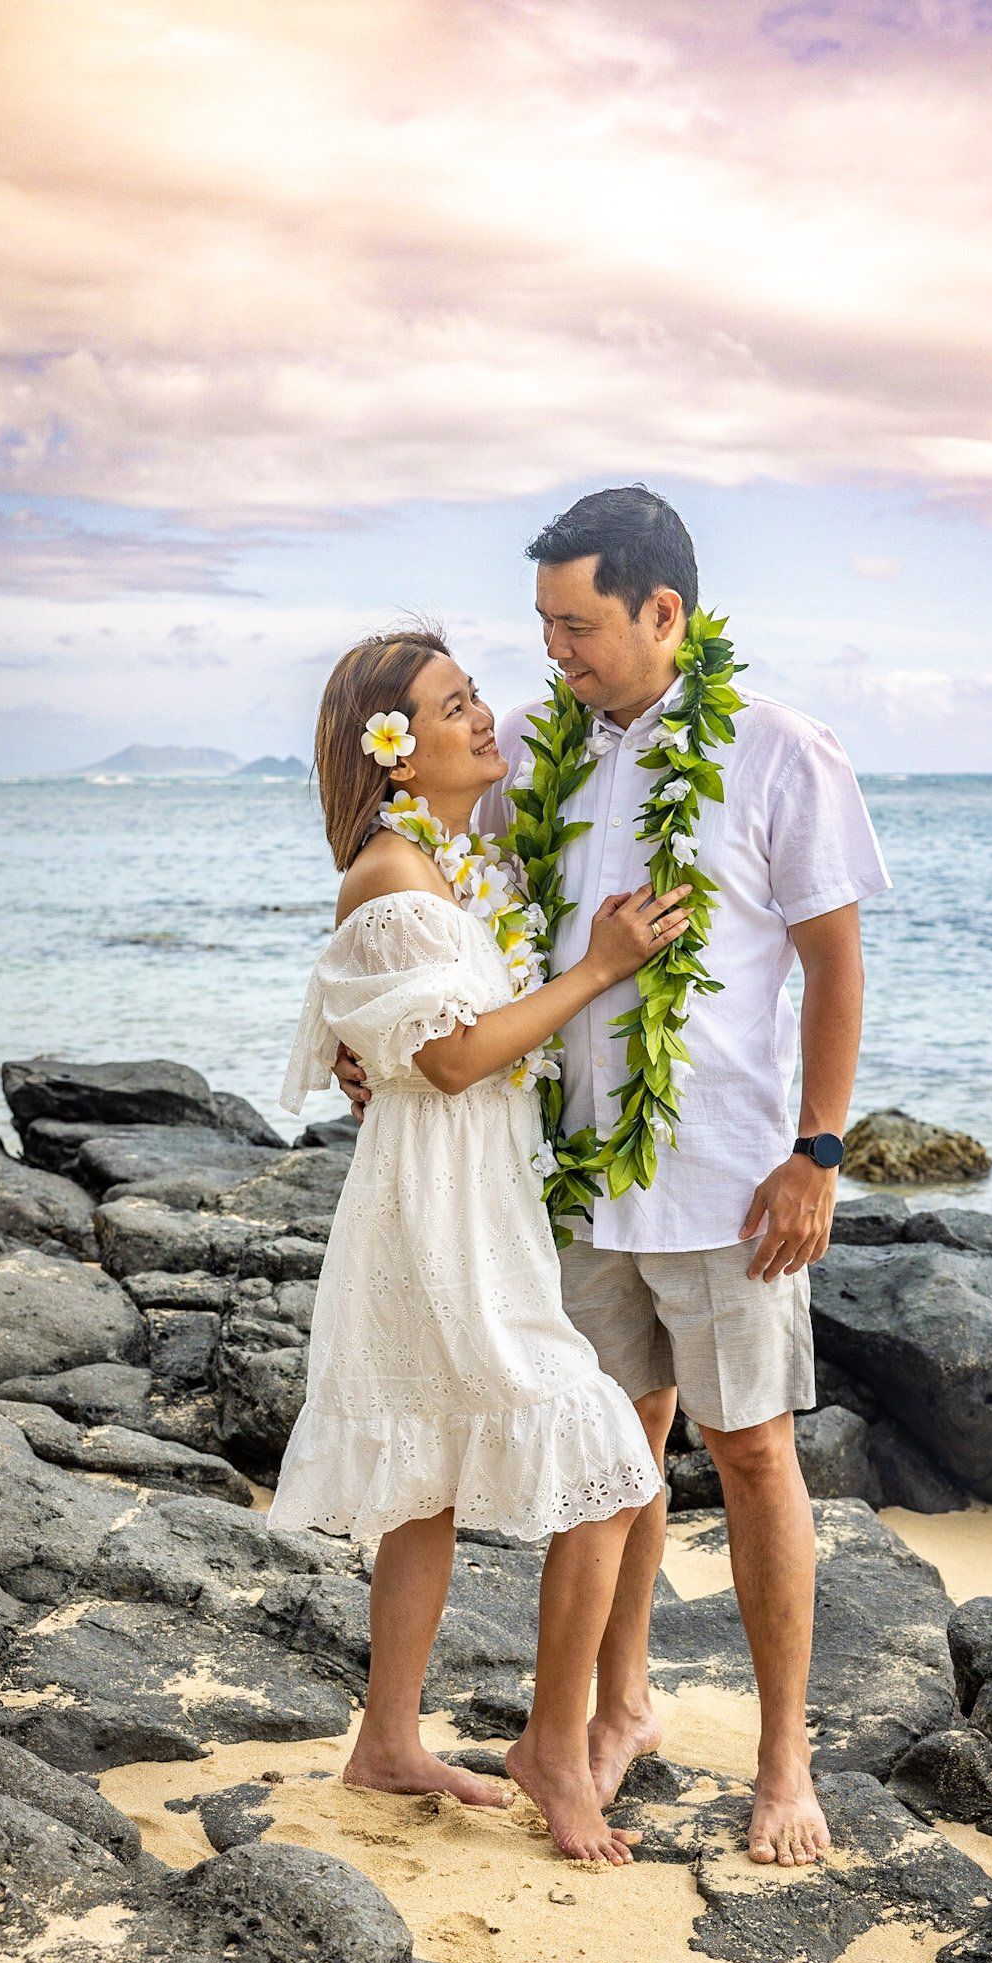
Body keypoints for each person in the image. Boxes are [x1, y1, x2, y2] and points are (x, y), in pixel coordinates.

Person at [335, 491, 892, 1868]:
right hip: (571, 1181)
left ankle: (781, 1764)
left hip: (729, 1179)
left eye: (574, 625)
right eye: (539, 627)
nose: (553, 653)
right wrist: (375, 1044)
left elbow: (833, 967)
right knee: (609, 1459)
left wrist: (817, 1149)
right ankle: (607, 1712)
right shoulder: (533, 745)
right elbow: (429, 883)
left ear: (662, 614)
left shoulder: (775, 752)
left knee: (753, 1455)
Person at [269, 624, 693, 1864]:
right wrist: (605, 967)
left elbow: (402, 1034)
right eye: (452, 707)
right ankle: (551, 1746)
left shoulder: (460, 856)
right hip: (434, 1206)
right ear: (393, 752)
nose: (482, 717)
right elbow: (452, 1056)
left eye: (472, 696)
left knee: (431, 1482)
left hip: (476, 1191)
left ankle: (387, 1740)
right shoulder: (393, 877)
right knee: (611, 1454)